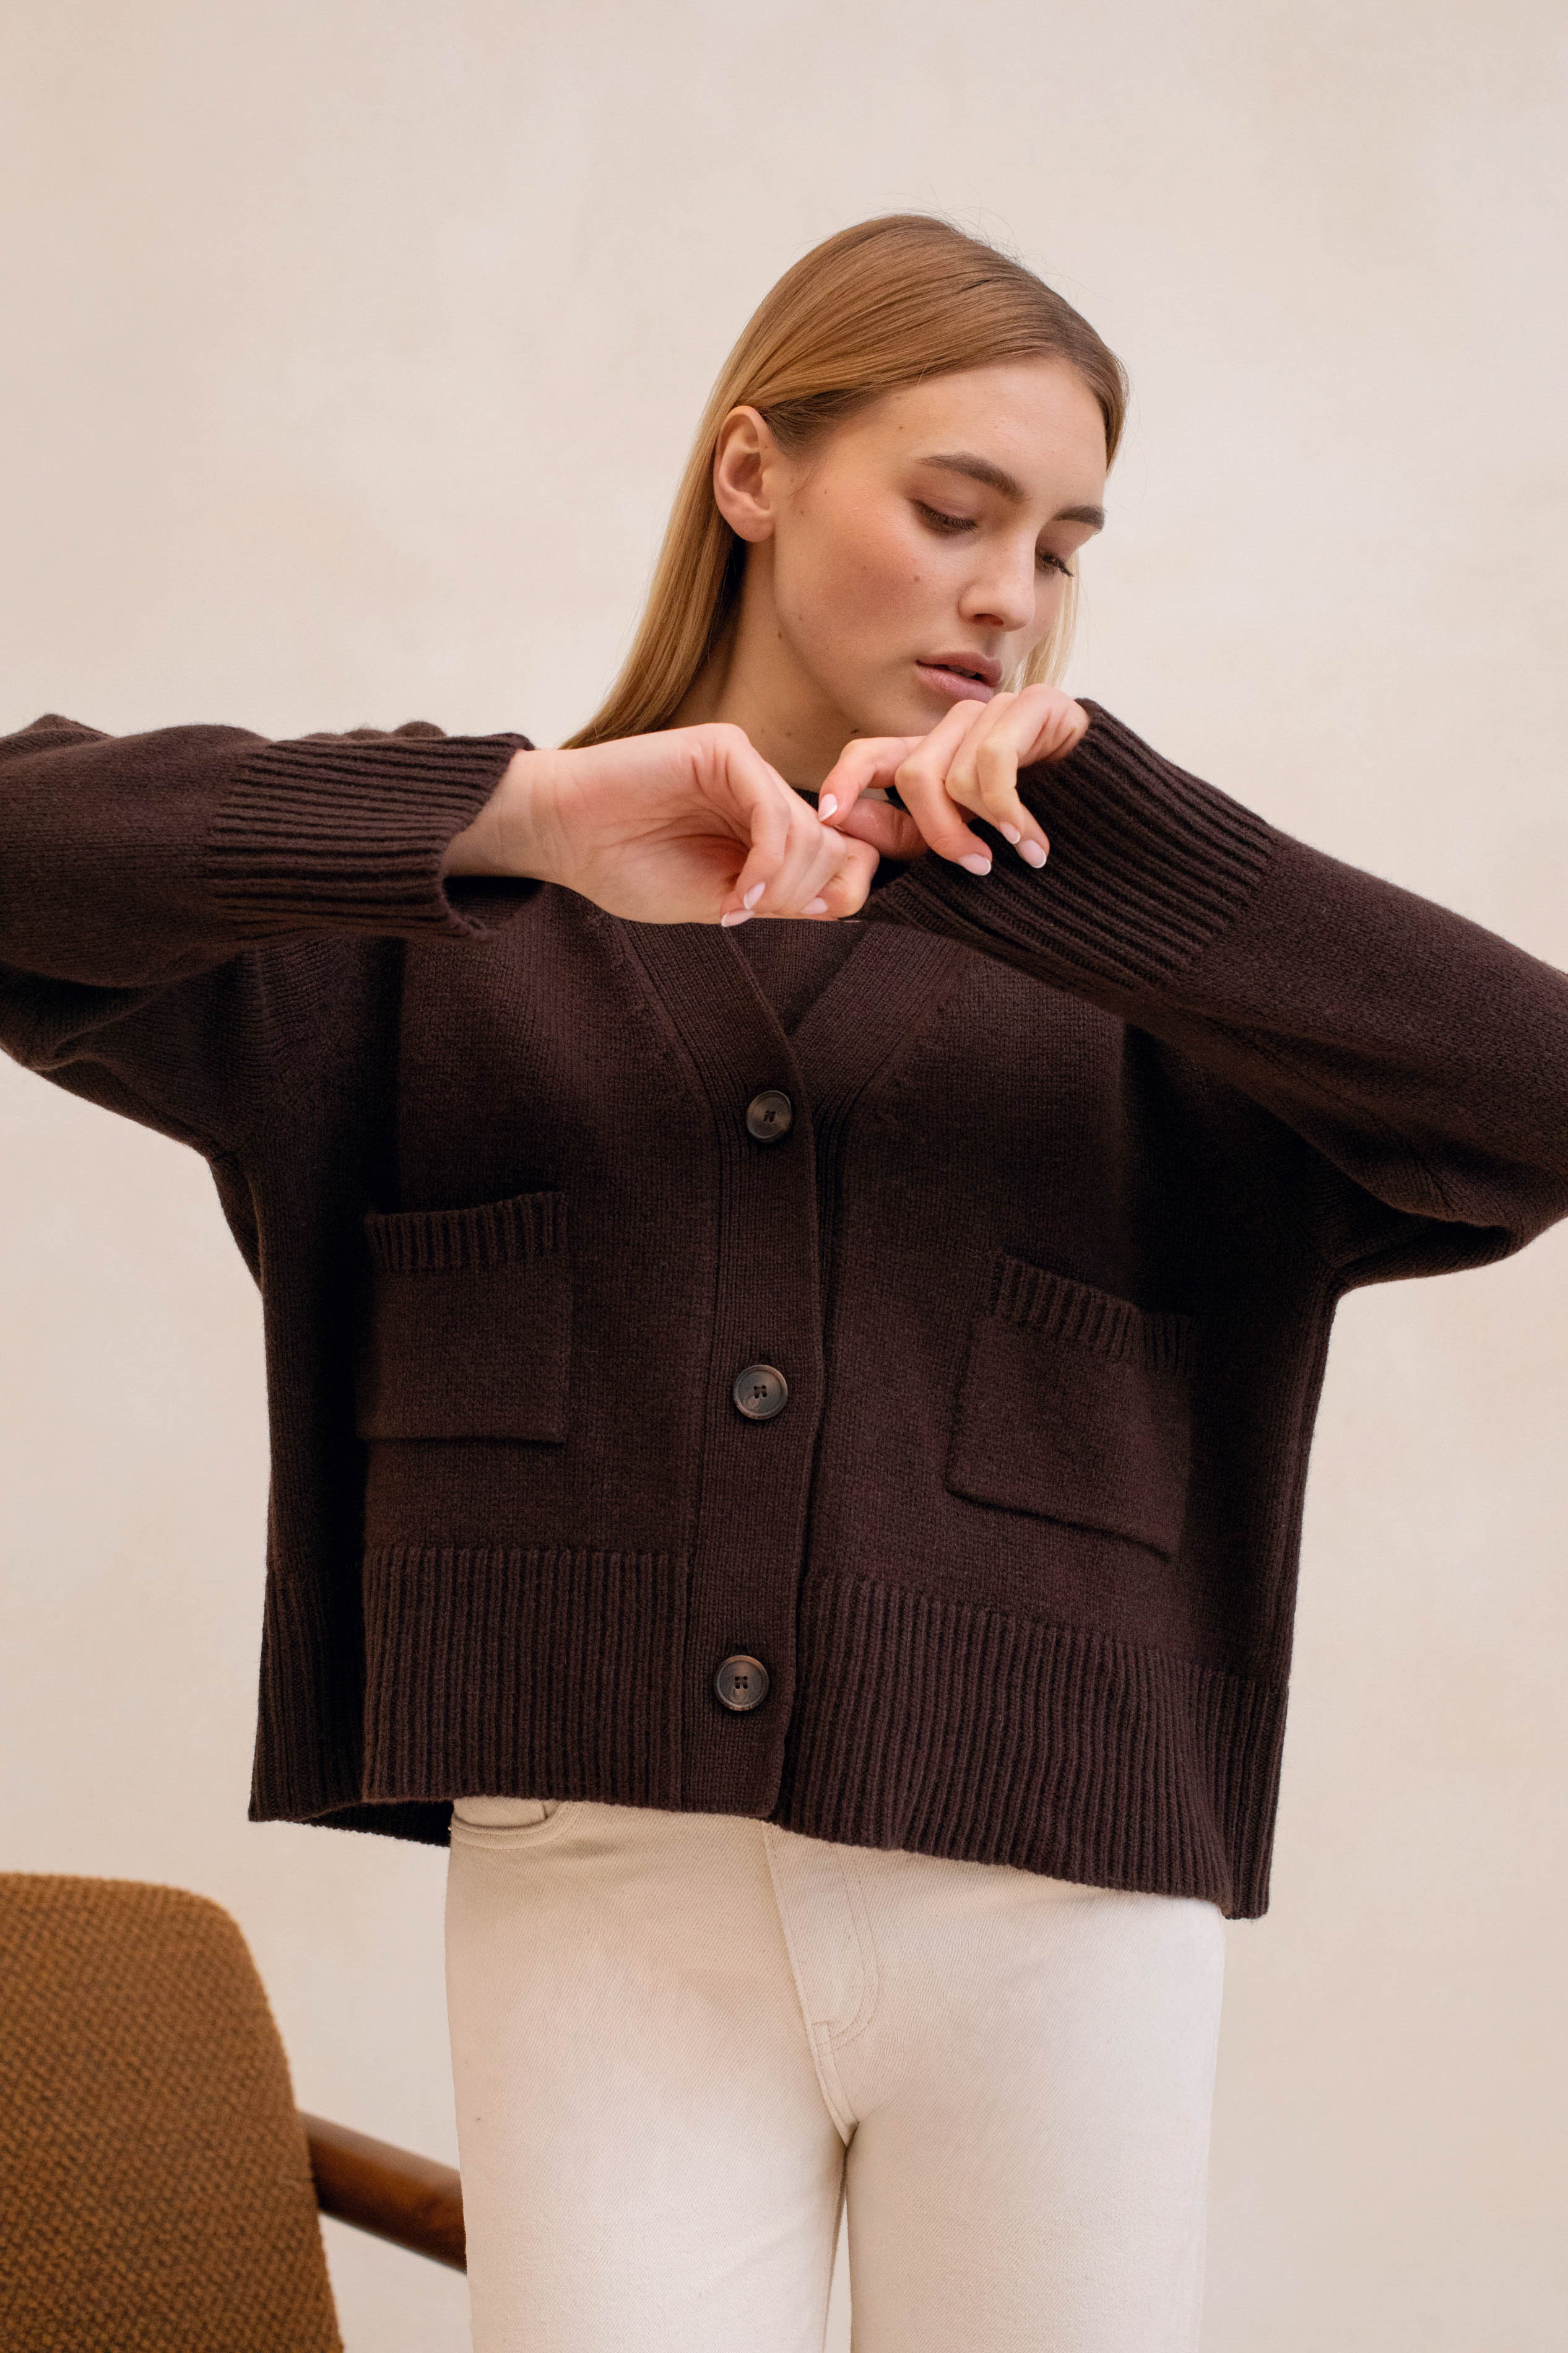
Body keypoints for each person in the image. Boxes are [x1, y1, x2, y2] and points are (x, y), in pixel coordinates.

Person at [2, 214, 1564, 2353]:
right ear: (755, 474)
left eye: (1063, 546)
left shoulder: (1155, 990)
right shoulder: (436, 948)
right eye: (955, 511)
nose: (1011, 595)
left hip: (1060, 1907)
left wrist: (1113, 862)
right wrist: (515, 821)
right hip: (600, 1900)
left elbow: (1536, 1096)